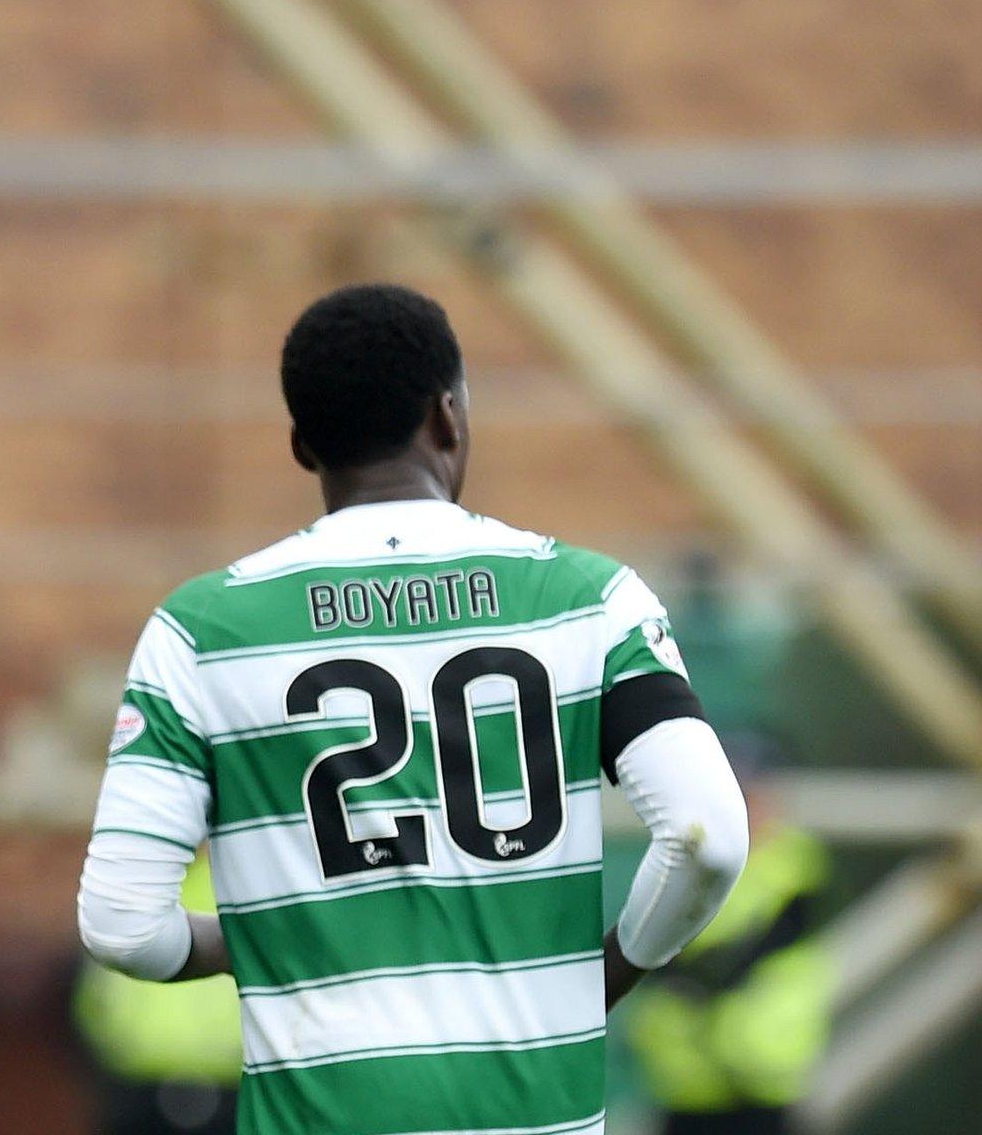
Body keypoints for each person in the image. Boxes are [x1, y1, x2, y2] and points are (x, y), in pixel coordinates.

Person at [76, 285, 751, 1135]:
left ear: (301, 445)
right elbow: (708, 837)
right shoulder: (591, 600)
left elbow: (120, 925)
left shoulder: (200, 631)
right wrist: (612, 968)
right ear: (448, 418)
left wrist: (258, 941)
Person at [626, 744, 831, 1135]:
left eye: (750, 795)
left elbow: (775, 934)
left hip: (761, 1071)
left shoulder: (797, 861)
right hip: (689, 1075)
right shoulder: (683, 860)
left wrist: (695, 976)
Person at [72, 853, 241, 1135]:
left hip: (228, 1086)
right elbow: (88, 1002)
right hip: (137, 1087)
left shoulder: (235, 884)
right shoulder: (133, 885)